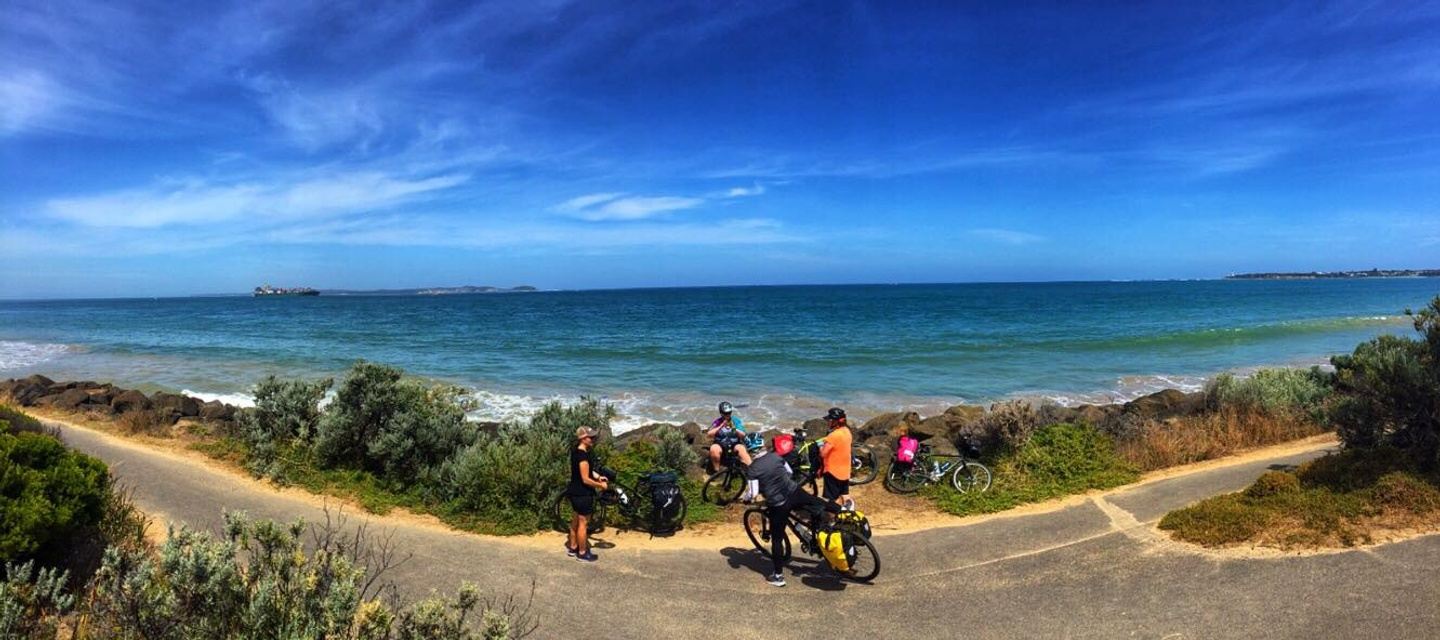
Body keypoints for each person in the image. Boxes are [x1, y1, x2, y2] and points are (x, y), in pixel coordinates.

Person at [746, 433, 840, 587]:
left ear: (749, 450)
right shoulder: (776, 456)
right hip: (794, 491)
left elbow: (753, 493)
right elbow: (789, 472)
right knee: (817, 501)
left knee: (777, 539)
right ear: (762, 444)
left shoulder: (753, 469)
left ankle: (778, 576)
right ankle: (843, 511)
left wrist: (747, 499)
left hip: (778, 503)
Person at [566, 426, 609, 562]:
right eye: (591, 437)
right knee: (583, 523)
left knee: (575, 521)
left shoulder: (576, 451)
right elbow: (585, 479)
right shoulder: (583, 455)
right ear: (583, 438)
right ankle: (582, 553)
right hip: (582, 494)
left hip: (574, 492)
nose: (593, 439)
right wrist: (601, 485)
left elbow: (587, 471)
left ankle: (573, 547)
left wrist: (598, 477)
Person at [818, 407, 854, 509]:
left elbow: (823, 454)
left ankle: (833, 516)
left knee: (832, 499)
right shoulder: (847, 431)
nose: (828, 422)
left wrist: (820, 445)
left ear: (835, 421)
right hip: (845, 470)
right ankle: (849, 510)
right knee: (844, 494)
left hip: (832, 471)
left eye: (829, 420)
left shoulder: (833, 436)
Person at [706, 401, 752, 472]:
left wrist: (734, 429)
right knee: (714, 449)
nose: (728, 415)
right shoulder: (717, 422)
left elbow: (743, 435)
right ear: (721, 413)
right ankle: (717, 471)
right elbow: (709, 435)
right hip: (720, 444)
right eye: (725, 413)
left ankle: (751, 471)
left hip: (734, 444)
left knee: (741, 450)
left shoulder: (736, 421)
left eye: (729, 413)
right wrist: (720, 426)